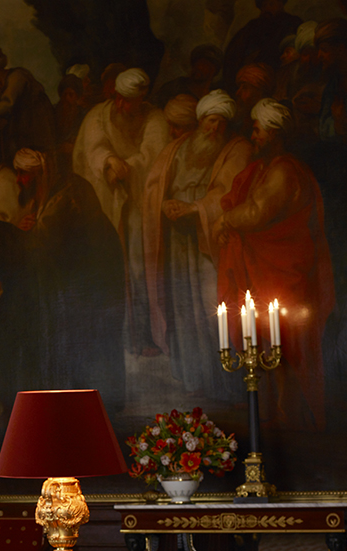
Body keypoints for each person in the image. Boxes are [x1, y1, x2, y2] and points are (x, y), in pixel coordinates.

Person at [214, 99, 336, 429]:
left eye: (258, 131)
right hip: (267, 271)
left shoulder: (284, 170)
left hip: (285, 272)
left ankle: (293, 418)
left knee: (287, 348)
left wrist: (226, 219)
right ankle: (272, 415)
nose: (253, 137)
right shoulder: (268, 168)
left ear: (274, 134)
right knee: (268, 346)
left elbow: (256, 214)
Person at [143, 90, 251, 401]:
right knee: (182, 308)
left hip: (210, 243)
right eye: (209, 121)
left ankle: (226, 381)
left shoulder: (237, 148)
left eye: (220, 122)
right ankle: (195, 377)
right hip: (178, 241)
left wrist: (195, 208)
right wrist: (164, 205)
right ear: (201, 120)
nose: (213, 129)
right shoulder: (179, 147)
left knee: (210, 306)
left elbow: (229, 190)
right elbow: (153, 186)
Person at [72, 67, 171, 356]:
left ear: (141, 99)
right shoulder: (97, 116)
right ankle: (108, 339)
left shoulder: (154, 118)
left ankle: (142, 337)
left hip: (139, 206)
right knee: (105, 271)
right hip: (106, 206)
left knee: (139, 272)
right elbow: (92, 150)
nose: (121, 106)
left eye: (128, 101)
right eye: (118, 98)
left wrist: (127, 167)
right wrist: (108, 160)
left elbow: (155, 153)